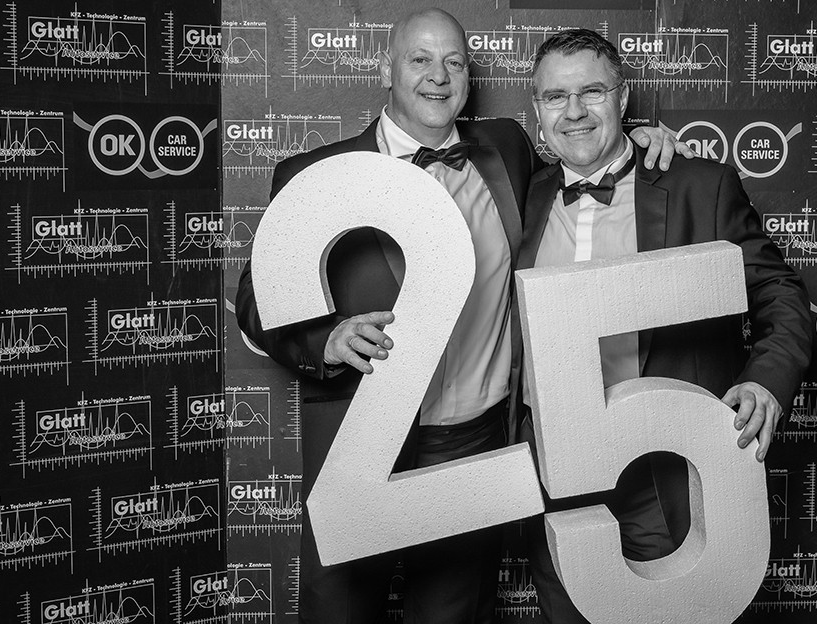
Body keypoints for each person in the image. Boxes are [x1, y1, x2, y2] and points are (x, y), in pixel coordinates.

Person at [234, 9, 689, 624]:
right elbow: (255, 298)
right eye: (420, 59)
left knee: (451, 613)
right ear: (386, 69)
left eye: (453, 61)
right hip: (360, 446)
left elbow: (586, 148)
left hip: (473, 446)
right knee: (339, 612)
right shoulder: (317, 175)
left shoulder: (505, 149)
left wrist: (642, 141)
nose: (438, 76)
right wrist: (325, 339)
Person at [517, 29, 813, 623]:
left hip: (662, 466)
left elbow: (780, 294)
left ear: (623, 99)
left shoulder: (698, 186)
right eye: (555, 97)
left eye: (592, 92)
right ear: (537, 111)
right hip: (552, 470)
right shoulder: (524, 194)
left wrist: (766, 381)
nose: (574, 112)